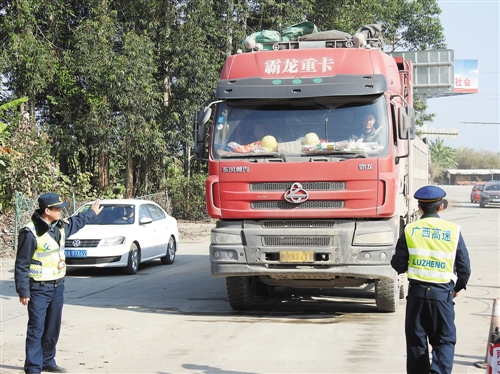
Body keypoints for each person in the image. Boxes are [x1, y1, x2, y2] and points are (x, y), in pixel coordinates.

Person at [14, 193, 103, 374]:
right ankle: (33, 367)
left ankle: (48, 360)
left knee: (53, 327)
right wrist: (23, 291)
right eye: (58, 209)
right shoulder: (30, 232)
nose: (61, 211)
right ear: (47, 211)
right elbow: (21, 264)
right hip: (38, 288)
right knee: (36, 329)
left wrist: (92, 212)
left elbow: (77, 221)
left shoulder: (59, 227)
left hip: (57, 287)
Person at [390, 186, 471, 374]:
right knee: (444, 340)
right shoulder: (453, 230)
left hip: (417, 297)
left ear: (419, 207)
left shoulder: (410, 230)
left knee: (416, 342)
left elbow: (398, 264)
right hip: (442, 296)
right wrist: (458, 287)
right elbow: (464, 267)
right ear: (441, 207)